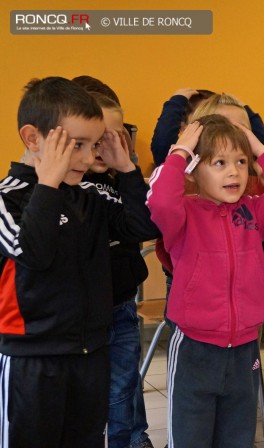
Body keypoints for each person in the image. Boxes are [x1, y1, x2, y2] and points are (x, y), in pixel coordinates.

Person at [0, 76, 157, 447]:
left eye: (95, 145)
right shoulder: (7, 199)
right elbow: (32, 252)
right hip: (33, 361)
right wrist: (48, 185)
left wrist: (129, 169)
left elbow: (143, 225)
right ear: (33, 138)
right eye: (77, 145)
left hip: (90, 354)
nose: (89, 159)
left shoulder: (90, 196)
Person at [146, 114, 264, 448]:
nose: (234, 171)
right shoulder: (183, 214)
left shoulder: (252, 211)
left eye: (241, 162)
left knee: (237, 436)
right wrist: (181, 152)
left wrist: (261, 149)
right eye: (219, 162)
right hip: (195, 348)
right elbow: (159, 200)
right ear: (193, 169)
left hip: (245, 347)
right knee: (190, 436)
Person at [78, 90, 158, 448]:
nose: (102, 148)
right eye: (93, 141)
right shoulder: (69, 188)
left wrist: (127, 167)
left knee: (123, 392)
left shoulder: (117, 181)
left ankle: (132, 440)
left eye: (112, 138)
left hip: (122, 306)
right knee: (92, 400)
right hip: (81, 317)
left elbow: (146, 225)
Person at [150, 89, 264, 166]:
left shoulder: (246, 162)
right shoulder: (187, 162)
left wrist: (244, 108)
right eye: (223, 127)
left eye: (241, 128)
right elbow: (162, 144)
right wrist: (176, 102)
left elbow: (263, 145)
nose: (233, 134)